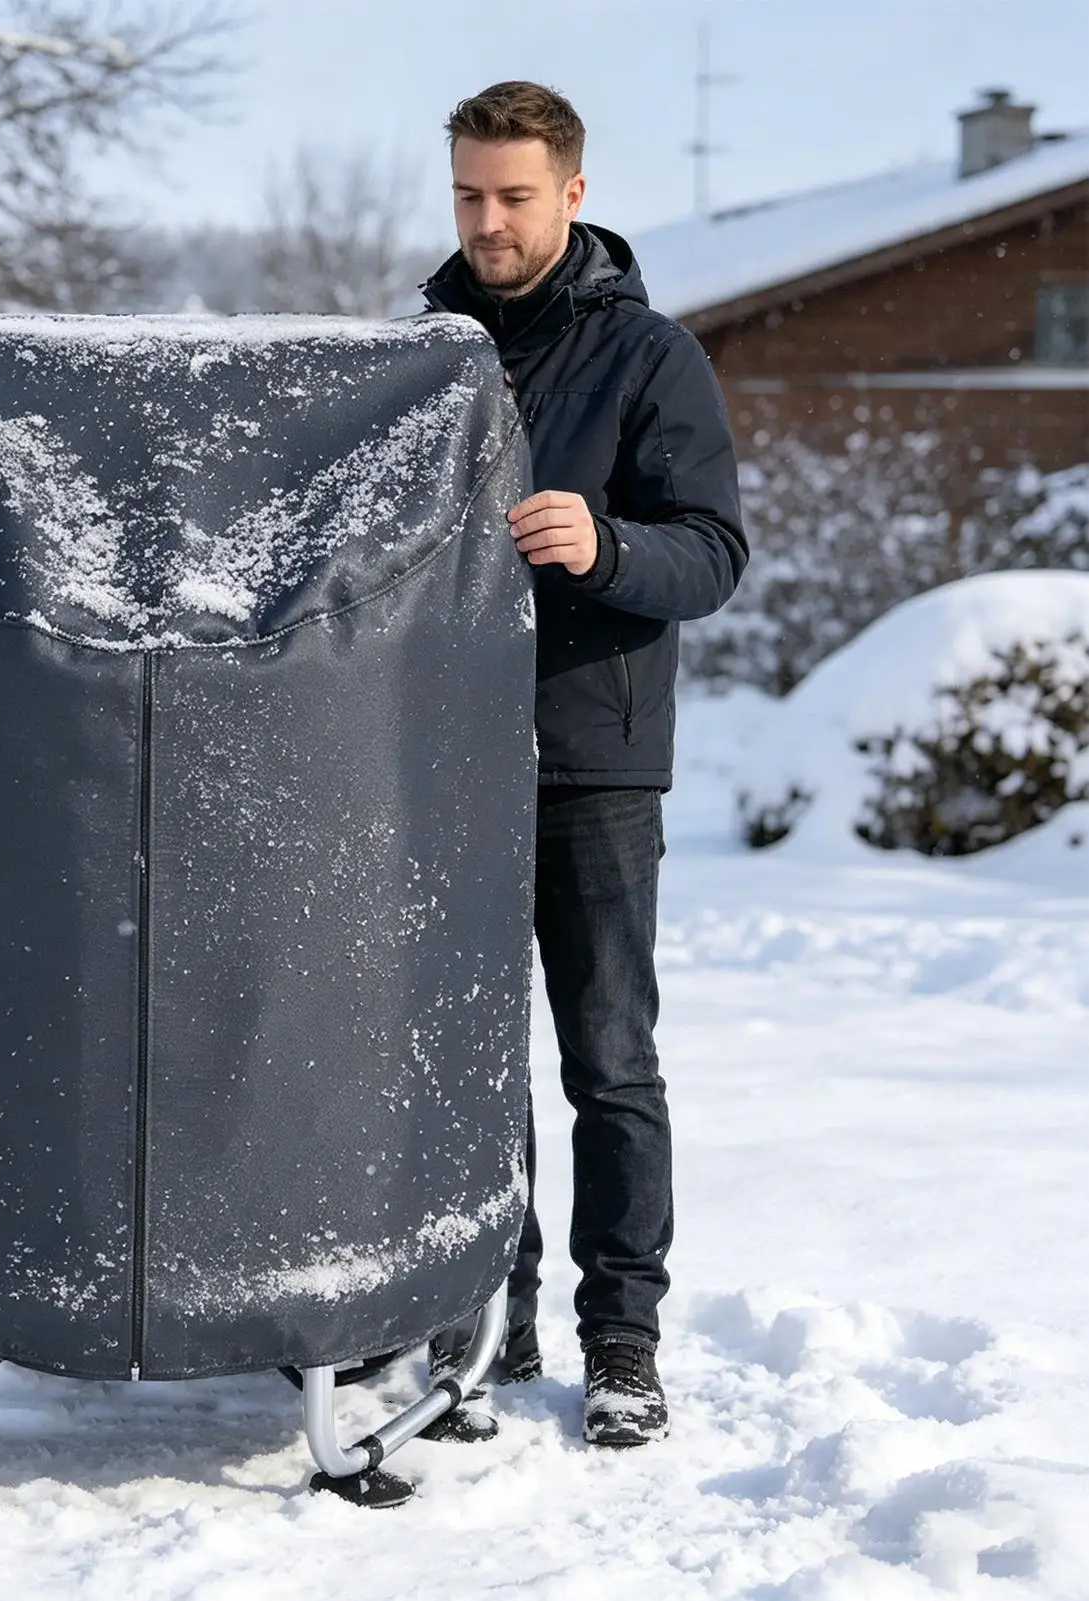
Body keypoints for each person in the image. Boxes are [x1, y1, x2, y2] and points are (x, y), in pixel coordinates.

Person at [421, 81, 748, 1447]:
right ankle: (485, 1321)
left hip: (596, 762)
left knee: (608, 1060)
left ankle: (623, 1341)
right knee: (457, 1063)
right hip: (437, 766)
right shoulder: (422, 355)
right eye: (467, 197)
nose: (488, 223)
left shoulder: (652, 356)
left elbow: (714, 554)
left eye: (513, 196)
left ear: (573, 193)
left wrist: (605, 546)